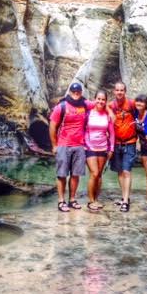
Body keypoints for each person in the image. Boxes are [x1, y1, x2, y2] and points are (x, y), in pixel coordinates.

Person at [49, 82, 90, 212]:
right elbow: (52, 126)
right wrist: (54, 145)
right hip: (64, 144)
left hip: (79, 145)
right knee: (62, 175)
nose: (75, 94)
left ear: (81, 92)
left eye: (78, 92)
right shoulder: (61, 106)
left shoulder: (84, 105)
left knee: (75, 175)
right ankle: (61, 201)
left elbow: (100, 104)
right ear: (70, 92)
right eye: (73, 92)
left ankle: (72, 199)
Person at [108, 81, 140, 212]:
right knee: (120, 172)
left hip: (130, 142)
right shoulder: (110, 105)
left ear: (125, 91)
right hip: (116, 143)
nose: (119, 92)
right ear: (114, 91)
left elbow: (145, 107)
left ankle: (126, 201)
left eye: (122, 90)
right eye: (117, 90)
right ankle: (124, 197)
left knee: (126, 171)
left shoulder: (131, 104)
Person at [84, 90, 114, 211]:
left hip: (103, 148)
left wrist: (111, 148)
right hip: (90, 147)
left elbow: (111, 134)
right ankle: (91, 201)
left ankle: (96, 199)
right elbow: (84, 130)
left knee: (99, 175)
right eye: (99, 99)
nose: (100, 101)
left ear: (105, 101)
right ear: (94, 99)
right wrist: (86, 144)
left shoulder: (107, 116)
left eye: (103, 99)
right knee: (94, 173)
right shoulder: (88, 113)